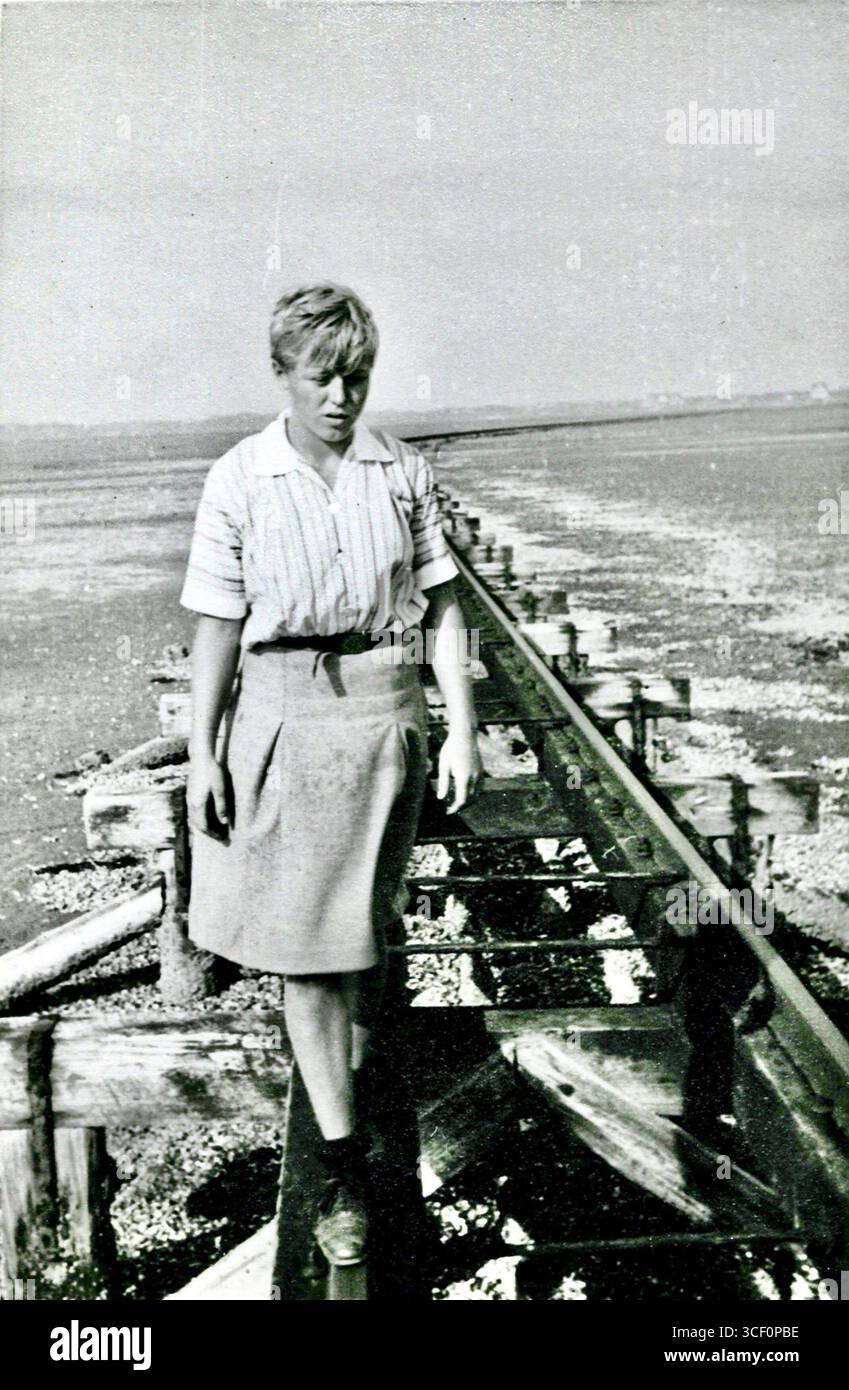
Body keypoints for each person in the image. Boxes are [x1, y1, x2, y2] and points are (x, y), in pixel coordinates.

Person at [179, 282, 483, 1266]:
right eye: (323, 376)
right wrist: (201, 756)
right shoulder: (238, 479)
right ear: (282, 376)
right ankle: (345, 1166)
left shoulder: (402, 474)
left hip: (383, 716)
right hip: (281, 717)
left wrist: (465, 728)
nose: (343, 394)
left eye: (357, 375)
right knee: (306, 951)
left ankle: (348, 1095)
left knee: (361, 943)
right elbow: (217, 627)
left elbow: (441, 607)